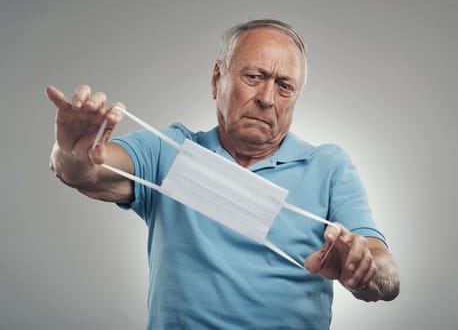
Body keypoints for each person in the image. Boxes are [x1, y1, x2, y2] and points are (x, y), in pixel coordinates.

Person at [47, 19, 400, 329]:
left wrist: (363, 270)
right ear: (218, 78)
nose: (266, 98)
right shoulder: (169, 152)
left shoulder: (329, 166)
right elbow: (84, 172)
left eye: (284, 86)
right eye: (254, 76)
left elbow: (387, 274)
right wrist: (72, 151)